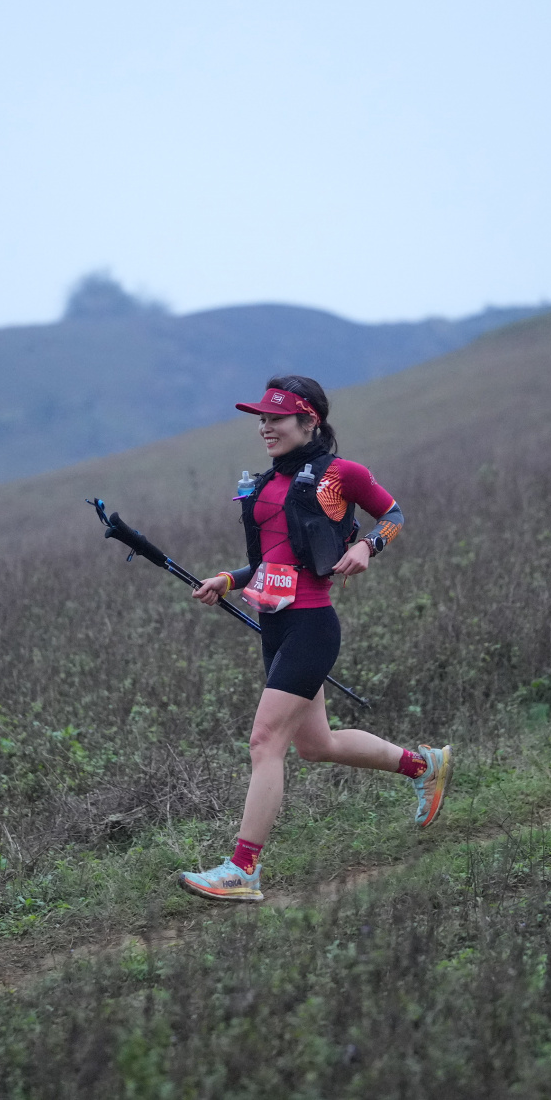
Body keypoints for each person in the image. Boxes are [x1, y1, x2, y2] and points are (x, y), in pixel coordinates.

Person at [177, 375, 452, 904]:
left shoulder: (341, 475)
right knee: (315, 745)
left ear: (309, 422)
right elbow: (272, 561)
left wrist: (368, 546)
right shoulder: (265, 484)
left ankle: (242, 870)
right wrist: (228, 580)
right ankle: (424, 766)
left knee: (265, 742)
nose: (265, 427)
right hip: (275, 625)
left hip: (311, 625)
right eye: (261, 419)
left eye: (276, 418)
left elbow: (393, 515)